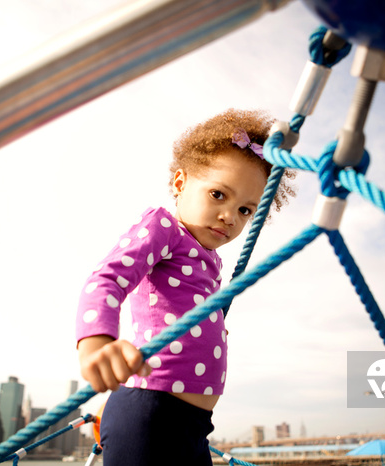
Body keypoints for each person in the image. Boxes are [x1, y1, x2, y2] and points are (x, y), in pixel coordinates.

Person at [75, 109, 295, 466]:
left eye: (245, 210)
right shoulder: (163, 227)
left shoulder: (208, 258)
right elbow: (107, 278)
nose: (230, 217)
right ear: (179, 183)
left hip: (193, 426)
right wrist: (96, 341)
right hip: (151, 415)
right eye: (218, 195)